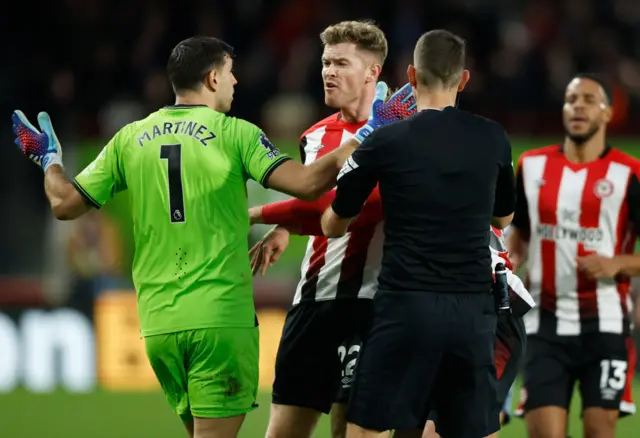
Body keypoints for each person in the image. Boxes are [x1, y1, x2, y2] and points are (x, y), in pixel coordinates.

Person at [10, 36, 414, 438]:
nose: (236, 81)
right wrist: (369, 133)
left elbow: (64, 204)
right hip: (220, 321)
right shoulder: (235, 133)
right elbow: (309, 184)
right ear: (212, 78)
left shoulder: (129, 138)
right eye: (230, 73)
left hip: (158, 325)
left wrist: (50, 161)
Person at [317, 29, 515, 438]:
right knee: (476, 427)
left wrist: (368, 141)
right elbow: (503, 219)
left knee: (367, 428)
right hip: (471, 309)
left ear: (410, 75)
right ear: (463, 79)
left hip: (406, 305)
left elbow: (332, 224)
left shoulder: (387, 139)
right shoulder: (493, 138)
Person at [250, 190, 534, 438]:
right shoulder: (449, 148)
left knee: (447, 428)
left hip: (481, 308)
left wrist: (253, 214)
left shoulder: (413, 156)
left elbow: (339, 206)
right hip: (428, 312)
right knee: (394, 424)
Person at [249, 20, 413, 438]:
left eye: (341, 63)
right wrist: (288, 226)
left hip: (372, 304)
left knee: (350, 431)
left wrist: (258, 215)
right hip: (314, 301)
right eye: (326, 62)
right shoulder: (315, 136)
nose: (328, 72)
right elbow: (314, 198)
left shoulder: (402, 137)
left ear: (373, 72)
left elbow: (347, 208)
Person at [507, 73, 640, 438]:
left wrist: (618, 264)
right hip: (544, 324)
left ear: (608, 113)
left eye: (588, 99)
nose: (577, 105)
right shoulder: (531, 166)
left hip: (606, 324)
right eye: (570, 99)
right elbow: (518, 234)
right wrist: (510, 260)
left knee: (600, 430)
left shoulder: (629, 174)